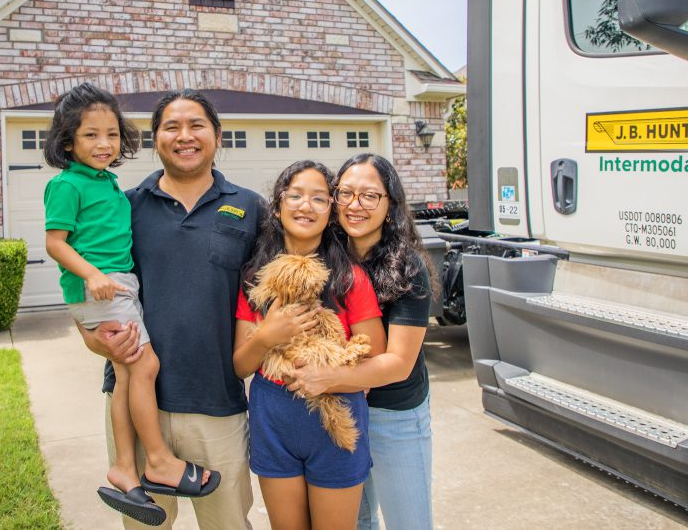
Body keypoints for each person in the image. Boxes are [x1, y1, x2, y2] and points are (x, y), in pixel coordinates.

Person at [81, 89, 263, 530]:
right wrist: (94, 340)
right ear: (154, 138)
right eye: (171, 126)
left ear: (218, 136)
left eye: (196, 125)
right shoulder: (122, 206)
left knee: (228, 523)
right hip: (136, 404)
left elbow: (266, 301)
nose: (185, 136)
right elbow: (90, 286)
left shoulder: (252, 208)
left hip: (218, 404)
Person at [43, 84, 218, 527]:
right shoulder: (66, 184)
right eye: (90, 136)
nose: (104, 144)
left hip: (117, 285)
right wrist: (93, 277)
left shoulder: (107, 183)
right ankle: (157, 460)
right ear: (68, 142)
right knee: (144, 366)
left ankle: (125, 466)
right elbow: (54, 243)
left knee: (128, 373)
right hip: (103, 288)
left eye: (111, 135)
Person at [233, 160, 386, 530]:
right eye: (295, 195)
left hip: (336, 419)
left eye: (319, 198)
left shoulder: (350, 278)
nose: (306, 206)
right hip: (274, 417)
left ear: (331, 211)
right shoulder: (255, 279)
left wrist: (329, 376)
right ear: (277, 205)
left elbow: (377, 359)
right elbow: (240, 365)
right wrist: (267, 336)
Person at [287, 153, 435, 530]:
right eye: (346, 194)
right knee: (357, 522)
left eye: (370, 196)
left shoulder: (408, 267)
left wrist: (326, 378)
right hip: (341, 411)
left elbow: (399, 363)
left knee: (409, 522)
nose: (355, 205)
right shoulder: (322, 257)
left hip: (394, 414)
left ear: (389, 206)